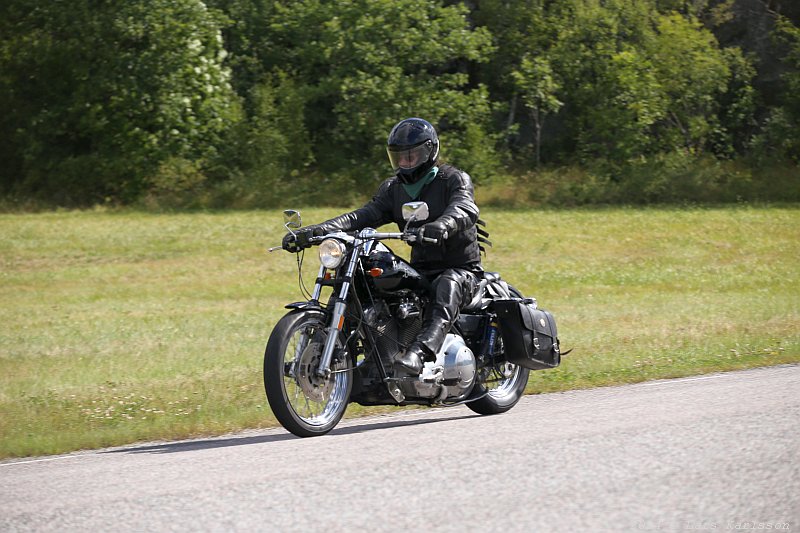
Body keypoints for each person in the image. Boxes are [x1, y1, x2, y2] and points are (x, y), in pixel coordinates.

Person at [282, 117, 483, 375]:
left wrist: (442, 225)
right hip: (421, 270)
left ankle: (420, 353)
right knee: (366, 279)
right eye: (399, 157)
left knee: (448, 284)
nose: (404, 163)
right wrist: (315, 231)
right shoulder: (394, 188)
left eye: (412, 156)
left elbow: (465, 208)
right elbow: (362, 216)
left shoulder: (453, 179)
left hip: (462, 269)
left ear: (430, 151)